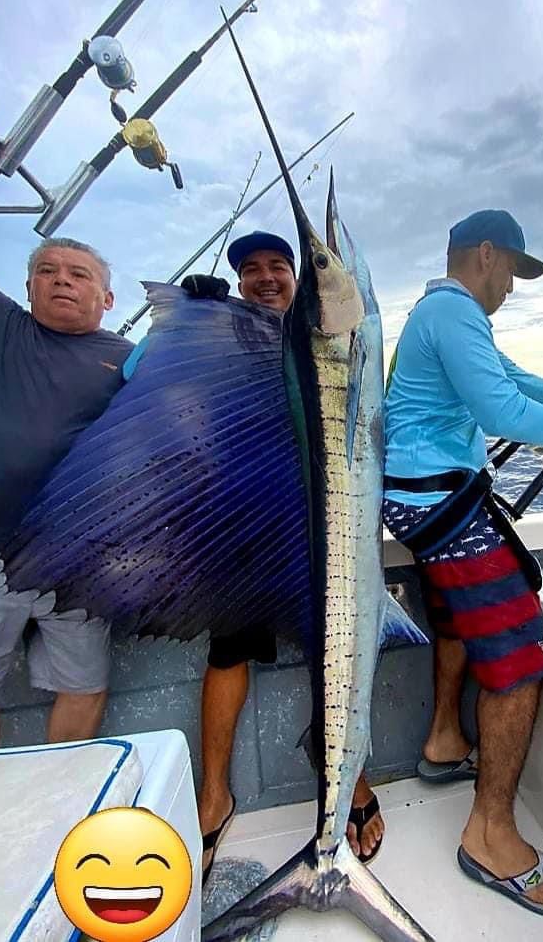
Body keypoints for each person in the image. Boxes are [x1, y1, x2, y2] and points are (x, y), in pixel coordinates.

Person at [383, 209, 543, 918]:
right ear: (485, 254)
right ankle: (489, 833)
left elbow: (509, 375)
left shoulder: (444, 316)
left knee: (457, 621)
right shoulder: (452, 312)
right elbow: (497, 406)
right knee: (519, 659)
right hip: (439, 501)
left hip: (423, 497)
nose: (512, 288)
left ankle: (444, 738)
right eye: (512, 271)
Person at [187, 232, 386, 883]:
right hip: (247, 524)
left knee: (335, 647)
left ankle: (350, 784)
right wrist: (194, 316)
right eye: (250, 270)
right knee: (228, 652)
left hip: (323, 520)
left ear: (298, 279)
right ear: (238, 281)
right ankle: (213, 795)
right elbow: (141, 378)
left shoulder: (319, 332)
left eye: (279, 265)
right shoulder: (220, 329)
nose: (265, 277)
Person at [0, 237, 134, 749]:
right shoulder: (2, 326)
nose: (62, 281)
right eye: (47, 272)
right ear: (28, 287)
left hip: (78, 561)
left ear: (107, 298)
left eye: (79, 274)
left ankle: (57, 798)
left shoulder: (130, 361)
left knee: (85, 686)